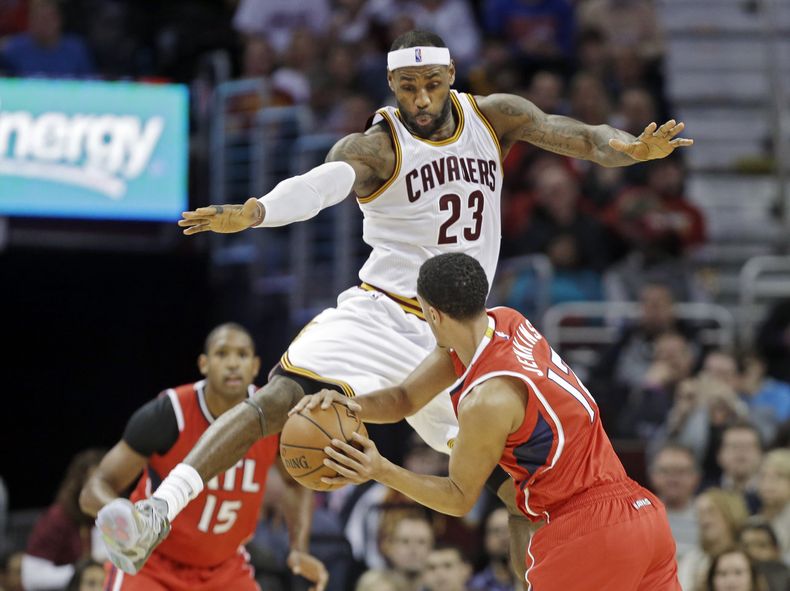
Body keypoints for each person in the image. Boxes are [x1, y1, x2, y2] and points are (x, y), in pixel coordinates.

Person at [98, 28, 692, 578]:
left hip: (457, 329)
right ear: (392, 85)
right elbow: (320, 186)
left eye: (433, 83)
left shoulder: (496, 116)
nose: (423, 96)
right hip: (380, 314)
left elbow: (584, 137)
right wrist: (257, 211)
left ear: (452, 74)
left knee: (519, 491)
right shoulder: (377, 147)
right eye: (410, 86)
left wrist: (628, 150)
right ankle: (159, 509)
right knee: (276, 400)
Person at [298, 252, 681, 590]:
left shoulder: (488, 399)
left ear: (432, 313)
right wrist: (350, 405)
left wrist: (381, 469)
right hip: (642, 514)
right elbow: (404, 398)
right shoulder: (507, 322)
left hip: (586, 530)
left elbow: (458, 497)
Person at [81, 324, 327, 590]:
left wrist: (299, 548)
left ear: (256, 366)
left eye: (242, 355)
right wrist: (125, 518)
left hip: (224, 567)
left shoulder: (276, 415)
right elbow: (94, 488)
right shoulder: (169, 414)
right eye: (222, 354)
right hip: (154, 565)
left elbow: (295, 482)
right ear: (204, 364)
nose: (233, 364)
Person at [22, 448, 106, 591]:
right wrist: (82, 573)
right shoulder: (57, 519)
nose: (100, 490)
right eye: (93, 483)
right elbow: (31, 577)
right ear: (78, 485)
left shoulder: (109, 514)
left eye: (107, 483)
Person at [648, 444, 701, 561]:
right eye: (665, 471)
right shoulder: (640, 517)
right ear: (653, 475)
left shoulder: (709, 515)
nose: (673, 479)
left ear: (696, 476)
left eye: (681, 472)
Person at [468, 507, 516, 591]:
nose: (503, 536)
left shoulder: (537, 578)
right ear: (485, 538)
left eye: (509, 529)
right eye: (496, 531)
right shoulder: (474, 586)